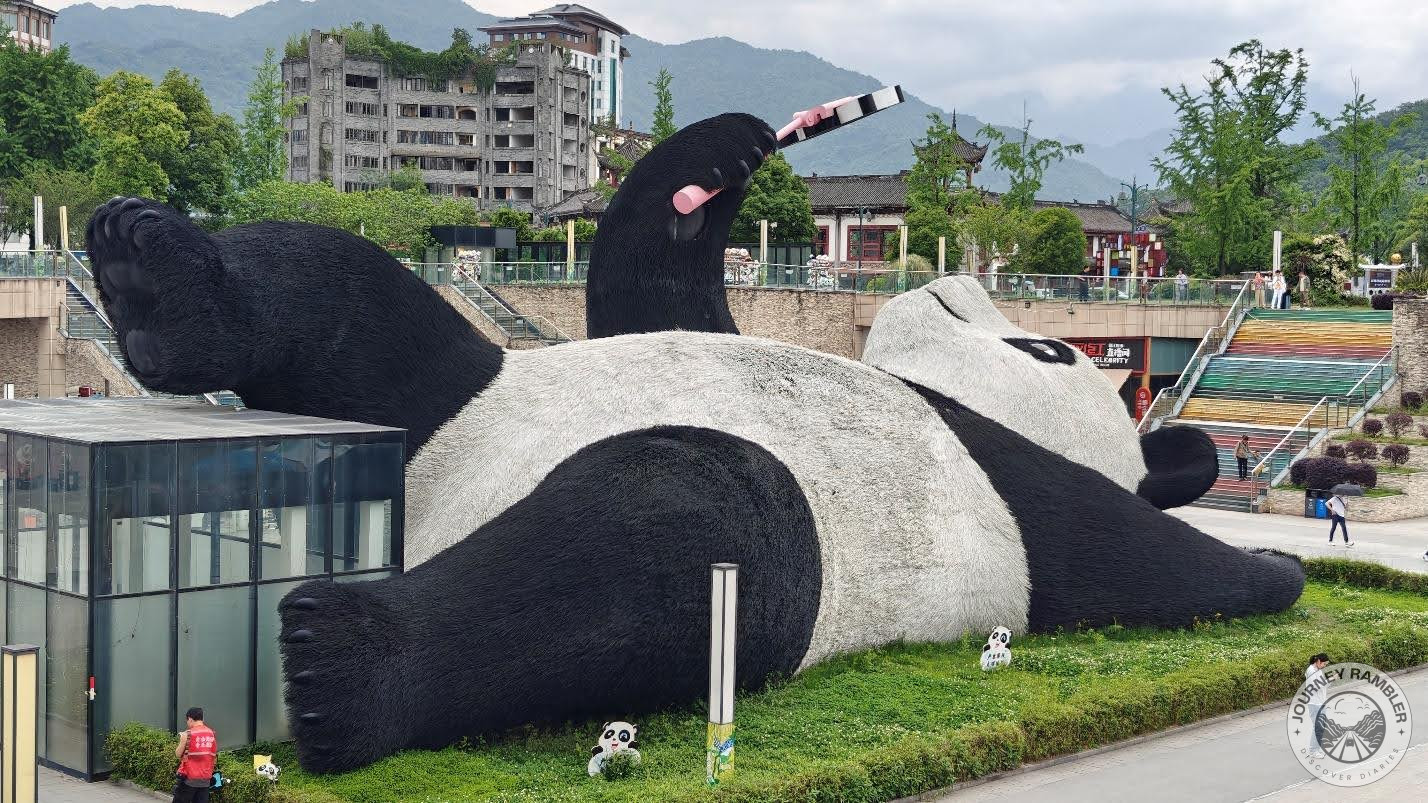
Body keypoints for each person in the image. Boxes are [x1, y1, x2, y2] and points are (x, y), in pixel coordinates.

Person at [172, 707, 216, 803]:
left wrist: (182, 739)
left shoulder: (187, 734)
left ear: (190, 719)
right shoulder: (211, 733)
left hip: (188, 779)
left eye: (187, 721)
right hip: (205, 779)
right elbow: (213, 755)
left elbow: (178, 754)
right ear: (202, 719)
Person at [1304, 653, 1330, 759]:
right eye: (1324, 663)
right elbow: (1316, 686)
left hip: (1320, 701)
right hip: (1314, 703)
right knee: (1318, 727)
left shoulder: (1318, 670)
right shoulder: (1310, 671)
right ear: (1319, 661)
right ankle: (1313, 751)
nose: (1324, 665)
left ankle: (1317, 748)